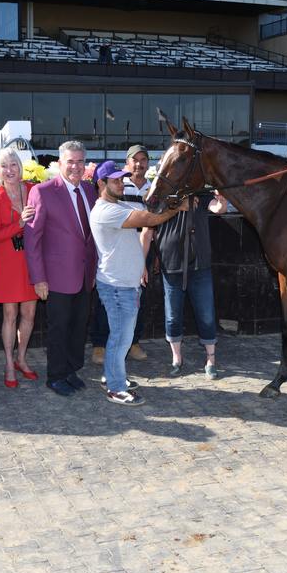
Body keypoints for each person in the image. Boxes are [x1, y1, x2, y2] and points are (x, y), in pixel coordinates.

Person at [89, 161, 185, 406]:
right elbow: (150, 219)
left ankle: (113, 375)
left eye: (122, 179)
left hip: (123, 284)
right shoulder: (107, 211)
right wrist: (179, 207)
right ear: (101, 184)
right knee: (121, 337)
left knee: (120, 335)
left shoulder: (117, 205)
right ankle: (116, 387)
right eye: (115, 180)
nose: (121, 183)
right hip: (118, 287)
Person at [24, 140, 98, 397]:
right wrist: (38, 278)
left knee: (79, 327)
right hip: (55, 278)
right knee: (59, 328)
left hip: (85, 275)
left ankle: (71, 371)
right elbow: (32, 238)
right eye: (70, 161)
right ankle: (55, 376)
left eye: (80, 161)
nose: (76, 167)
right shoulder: (42, 192)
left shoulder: (90, 191)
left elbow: (91, 235)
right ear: (59, 163)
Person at [0, 147, 40, 388]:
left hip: (32, 260)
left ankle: (21, 358)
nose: (10, 170)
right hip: (6, 261)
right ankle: (9, 363)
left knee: (30, 314)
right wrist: (19, 223)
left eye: (13, 164)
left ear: (20, 167)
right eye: (4, 166)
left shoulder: (33, 190)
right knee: (10, 316)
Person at [90, 144, 151, 364]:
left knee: (136, 302)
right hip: (115, 250)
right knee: (108, 305)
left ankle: (132, 342)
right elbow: (150, 219)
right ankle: (100, 345)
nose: (139, 164)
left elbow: (148, 230)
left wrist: (142, 260)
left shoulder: (152, 188)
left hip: (139, 248)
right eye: (135, 160)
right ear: (127, 163)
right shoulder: (116, 190)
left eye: (143, 159)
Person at [153, 188, 222, 379]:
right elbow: (150, 221)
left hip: (199, 264)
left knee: (206, 314)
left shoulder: (200, 194)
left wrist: (222, 198)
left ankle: (211, 359)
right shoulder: (161, 195)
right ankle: (176, 358)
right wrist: (177, 206)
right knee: (173, 315)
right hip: (171, 264)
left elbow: (218, 208)